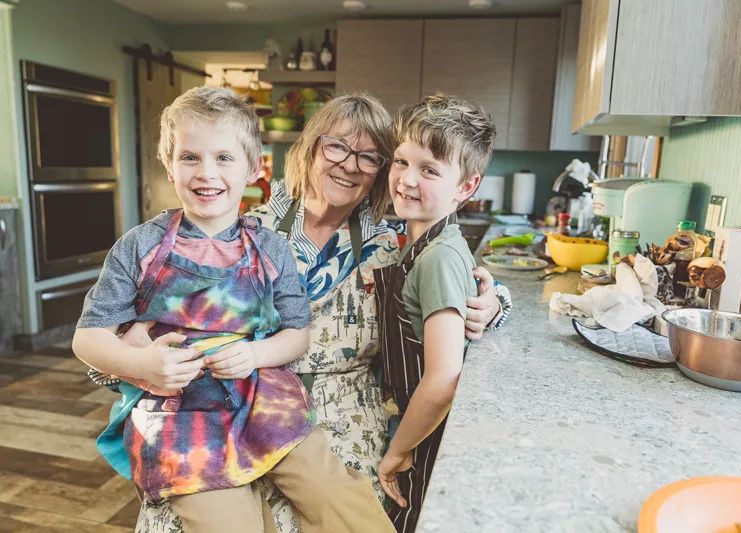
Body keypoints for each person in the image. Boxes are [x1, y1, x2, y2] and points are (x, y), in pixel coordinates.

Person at [131, 92, 512, 533]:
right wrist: (137, 357)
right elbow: (138, 329)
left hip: (346, 418)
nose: (349, 165)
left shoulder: (391, 243)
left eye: (368, 157)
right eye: (336, 147)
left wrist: (494, 302)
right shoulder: (243, 231)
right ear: (310, 148)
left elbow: (448, 275)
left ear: (380, 170)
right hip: (238, 406)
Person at [72, 87, 394, 533]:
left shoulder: (275, 246)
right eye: (190, 157)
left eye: (224, 158)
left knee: (341, 499)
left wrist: (256, 354)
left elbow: (297, 330)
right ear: (168, 164)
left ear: (253, 167)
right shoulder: (140, 245)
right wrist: (141, 364)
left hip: (266, 402)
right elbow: (89, 338)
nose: (207, 172)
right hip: (180, 416)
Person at [374, 93, 496, 532]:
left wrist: (398, 450)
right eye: (401, 161)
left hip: (424, 437)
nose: (407, 179)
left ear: (466, 187)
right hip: (416, 425)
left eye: (429, 170)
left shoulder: (438, 258)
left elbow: (443, 380)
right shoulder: (427, 243)